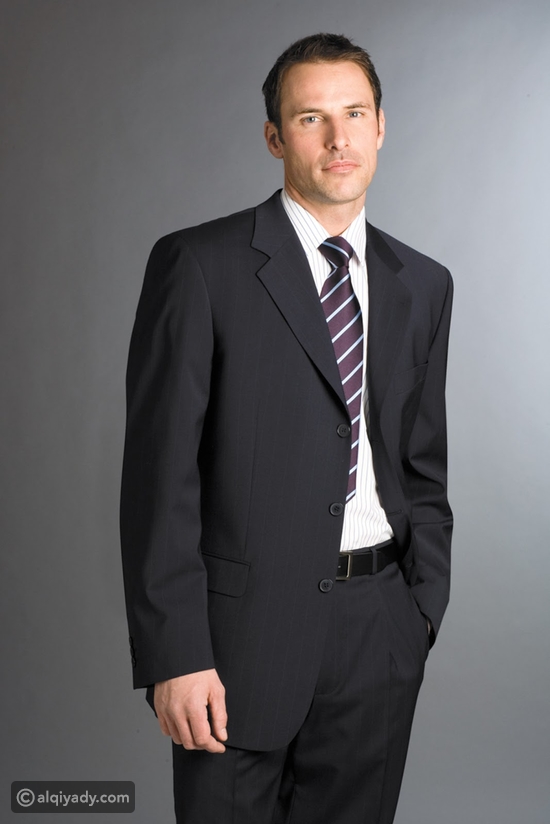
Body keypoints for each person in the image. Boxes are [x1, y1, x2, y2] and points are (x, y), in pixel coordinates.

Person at [120, 32, 453, 824]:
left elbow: (422, 463)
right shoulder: (200, 265)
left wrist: (418, 613)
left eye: (355, 113)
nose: (338, 138)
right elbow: (160, 479)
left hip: (378, 633)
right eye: (311, 118)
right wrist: (177, 655)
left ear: (381, 127)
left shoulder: (422, 283)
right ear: (275, 137)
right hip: (237, 642)